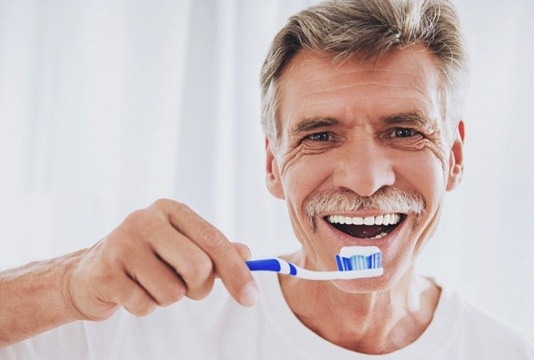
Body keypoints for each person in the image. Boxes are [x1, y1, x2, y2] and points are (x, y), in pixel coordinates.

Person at [1, 0, 533, 358]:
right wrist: (67, 286)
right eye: (321, 136)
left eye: (403, 130)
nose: (367, 181)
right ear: (273, 164)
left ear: (455, 156)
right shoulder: (144, 320)